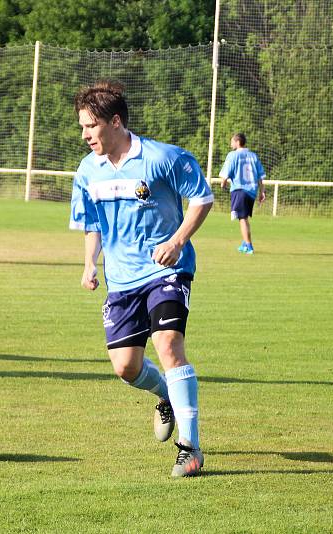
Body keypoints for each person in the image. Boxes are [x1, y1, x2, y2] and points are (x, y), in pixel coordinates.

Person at [70, 81, 213, 477]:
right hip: (121, 279)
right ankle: (165, 394)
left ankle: (191, 447)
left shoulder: (163, 158)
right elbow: (91, 223)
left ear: (115, 122)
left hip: (167, 271)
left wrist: (178, 240)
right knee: (125, 367)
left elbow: (202, 198)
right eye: (82, 126)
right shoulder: (87, 171)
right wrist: (89, 264)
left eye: (91, 126)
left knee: (169, 345)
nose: (85, 135)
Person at [219, 133, 266, 254]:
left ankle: (249, 246)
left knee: (242, 219)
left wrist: (223, 183)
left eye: (232, 141)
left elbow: (226, 172)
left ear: (237, 142)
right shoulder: (253, 156)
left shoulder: (233, 155)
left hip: (239, 189)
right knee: (243, 217)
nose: (230, 144)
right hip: (251, 191)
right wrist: (262, 191)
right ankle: (244, 243)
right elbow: (260, 176)